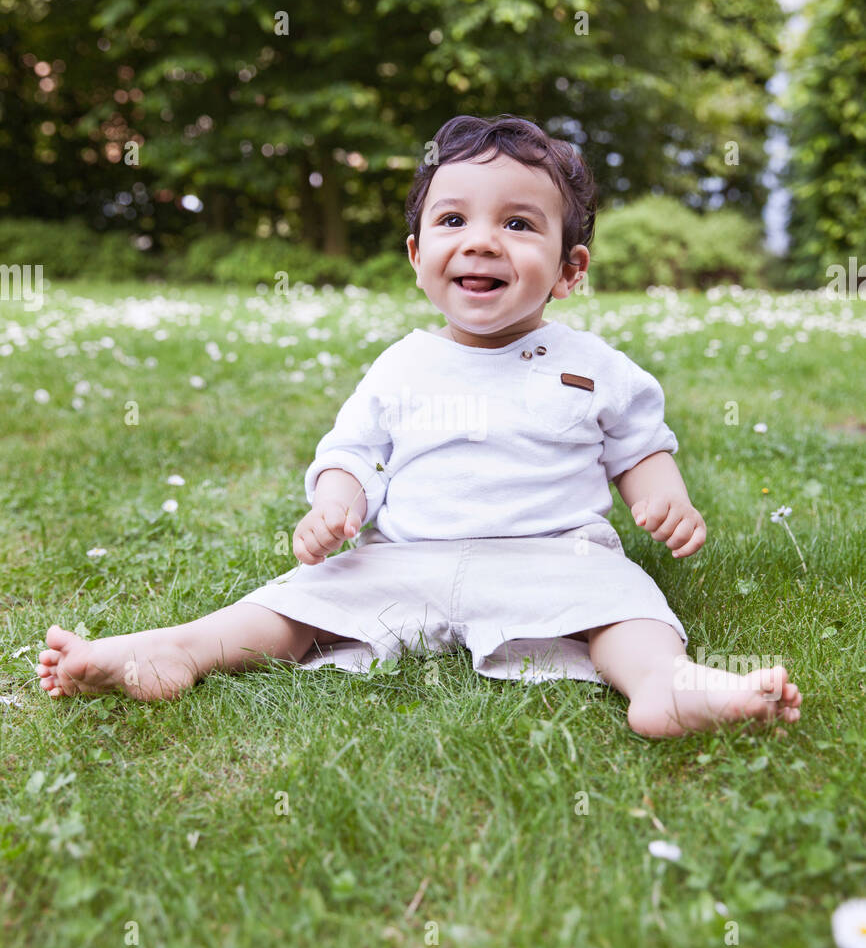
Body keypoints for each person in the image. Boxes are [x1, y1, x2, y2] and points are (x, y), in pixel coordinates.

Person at [37, 114, 801, 737]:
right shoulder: (401, 366)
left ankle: (664, 688)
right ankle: (176, 650)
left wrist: (663, 496)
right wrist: (336, 503)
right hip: (404, 558)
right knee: (294, 605)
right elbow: (355, 451)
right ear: (417, 254)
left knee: (626, 609)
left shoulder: (595, 364)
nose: (481, 240)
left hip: (555, 558)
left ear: (570, 269)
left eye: (518, 223)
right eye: (453, 219)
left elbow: (640, 445)